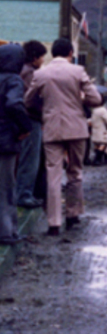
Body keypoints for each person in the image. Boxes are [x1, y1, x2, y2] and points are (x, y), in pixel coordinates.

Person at [25, 38, 102, 235]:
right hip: (76, 128)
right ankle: (73, 214)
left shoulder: (41, 73)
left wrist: (45, 109)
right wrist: (81, 99)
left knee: (53, 174)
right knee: (75, 172)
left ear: (53, 54)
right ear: (70, 53)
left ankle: (54, 222)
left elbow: (28, 101)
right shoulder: (77, 71)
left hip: (51, 127)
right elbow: (96, 99)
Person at [0, 43, 32, 244]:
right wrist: (25, 127)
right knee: (6, 186)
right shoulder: (13, 80)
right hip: (5, 139)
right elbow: (14, 104)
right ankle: (6, 232)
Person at [15, 40, 46, 208]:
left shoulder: (22, 70)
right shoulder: (30, 73)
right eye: (42, 57)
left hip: (26, 119)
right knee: (30, 159)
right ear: (35, 57)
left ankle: (24, 192)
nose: (42, 61)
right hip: (31, 120)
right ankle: (24, 195)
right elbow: (30, 99)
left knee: (26, 158)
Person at [89, 95, 107, 166]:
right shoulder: (103, 110)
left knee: (97, 144)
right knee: (103, 144)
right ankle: (96, 160)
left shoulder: (94, 110)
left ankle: (98, 159)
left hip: (95, 129)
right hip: (102, 129)